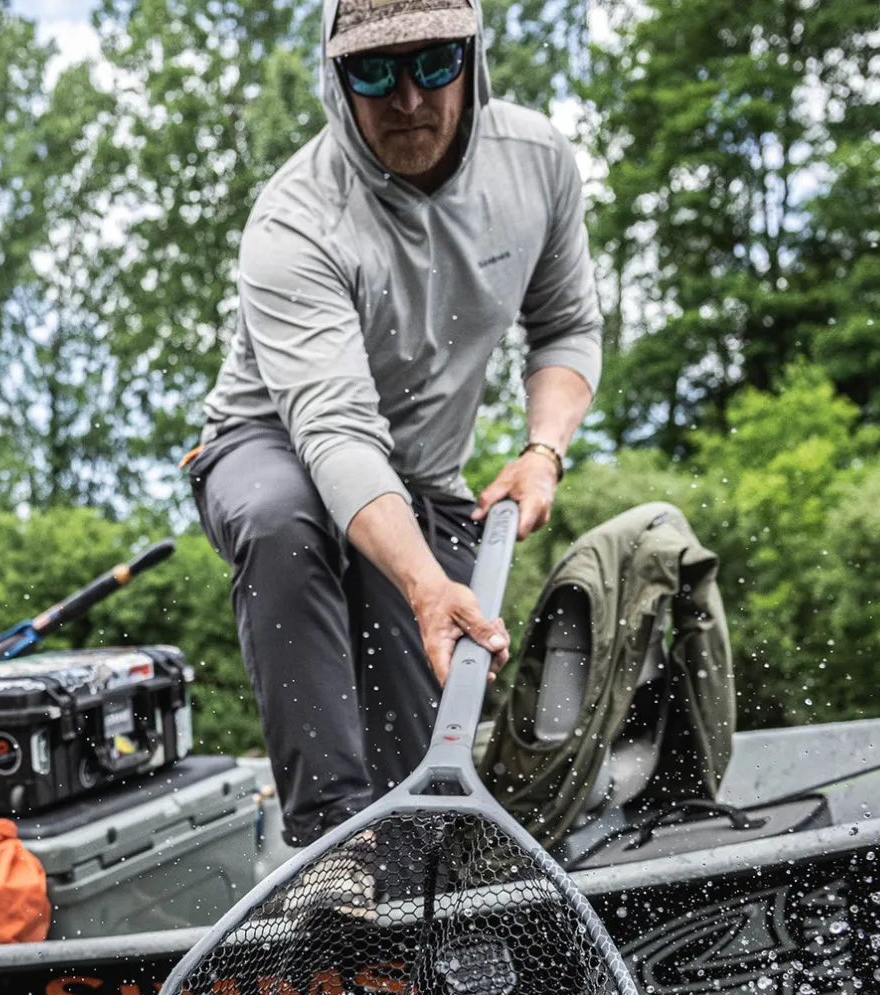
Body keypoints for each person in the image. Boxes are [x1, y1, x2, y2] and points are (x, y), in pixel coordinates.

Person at [186, 0, 601, 849]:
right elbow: (333, 434)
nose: (408, 96)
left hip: (423, 481)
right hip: (273, 443)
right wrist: (424, 584)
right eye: (375, 71)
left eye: (434, 64)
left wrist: (541, 452)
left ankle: (410, 882)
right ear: (338, 80)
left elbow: (565, 327)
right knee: (283, 518)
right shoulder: (296, 219)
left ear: (473, 59)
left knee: (422, 802)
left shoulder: (537, 164)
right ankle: (329, 846)